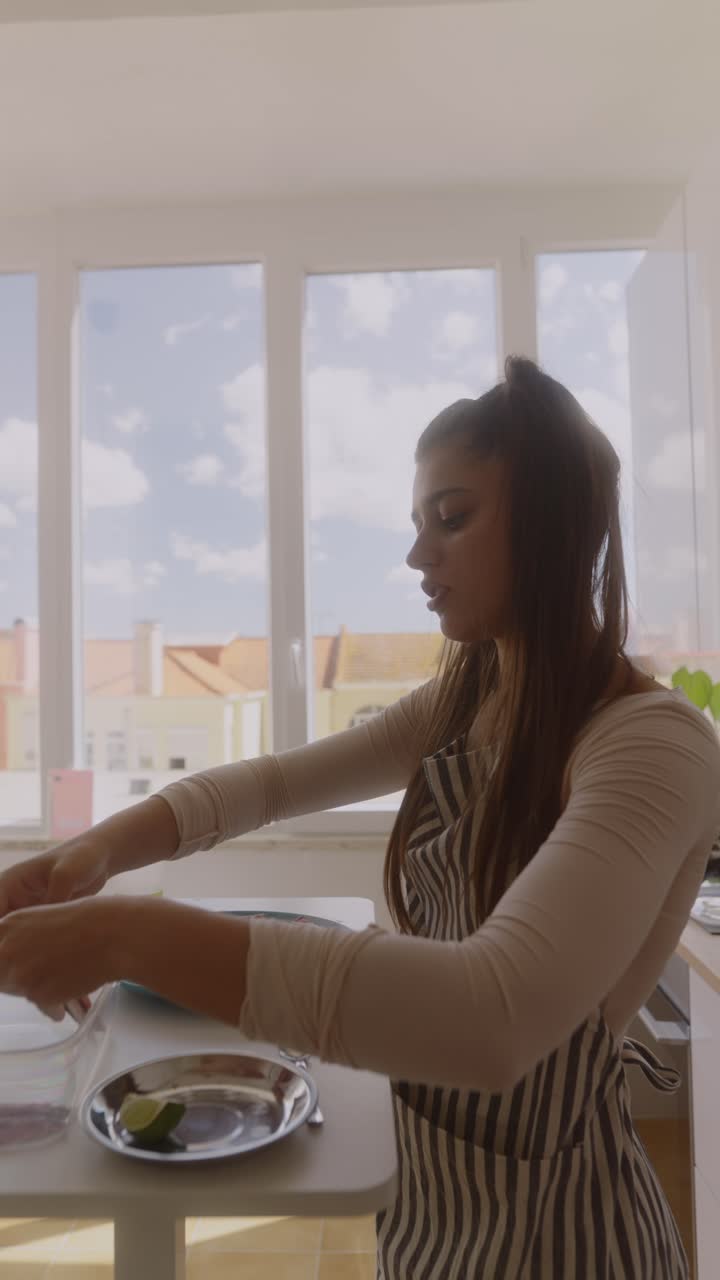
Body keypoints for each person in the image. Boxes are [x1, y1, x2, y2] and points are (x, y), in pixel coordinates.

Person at [0, 355, 717, 1279]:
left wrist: (132, 936)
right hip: (424, 1203)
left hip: (558, 1234)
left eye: (452, 518)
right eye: (419, 524)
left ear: (553, 522)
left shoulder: (651, 742)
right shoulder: (468, 699)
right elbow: (263, 788)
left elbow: (488, 1019)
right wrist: (92, 854)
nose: (420, 555)